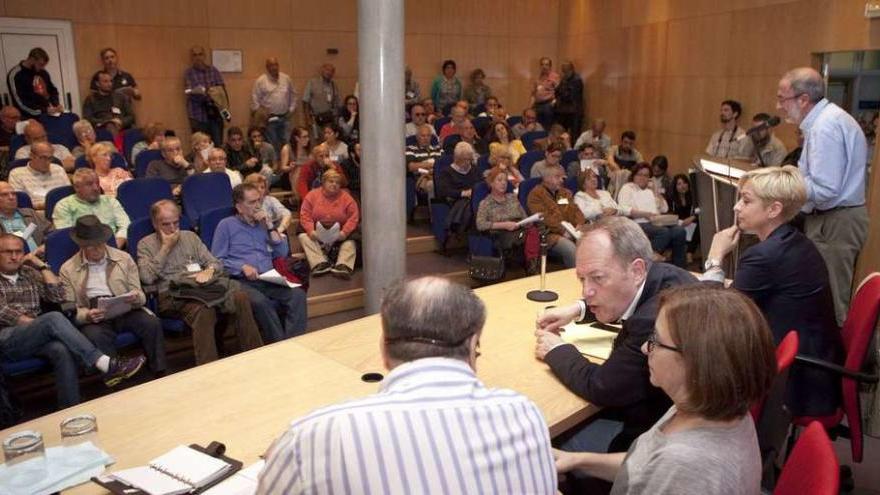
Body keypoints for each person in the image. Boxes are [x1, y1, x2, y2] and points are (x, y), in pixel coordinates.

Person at [258, 276, 557, 495]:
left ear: (383, 350)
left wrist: (291, 453)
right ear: (473, 345)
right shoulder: (525, 412)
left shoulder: (312, 438)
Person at [554, 285, 776, 495]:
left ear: (695, 363)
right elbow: (646, 466)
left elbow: (667, 469)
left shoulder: (686, 468)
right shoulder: (702, 406)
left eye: (656, 341)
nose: (644, 348)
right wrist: (578, 460)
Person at [534, 216, 697, 454]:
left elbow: (602, 388)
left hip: (645, 442)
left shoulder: (651, 321)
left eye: (597, 278)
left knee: (549, 439)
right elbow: (626, 299)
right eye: (582, 278)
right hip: (675, 423)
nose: (586, 291)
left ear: (637, 270)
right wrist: (578, 309)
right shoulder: (665, 275)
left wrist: (555, 349)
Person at [703, 165, 843, 416]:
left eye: (745, 201)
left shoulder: (765, 255)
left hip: (796, 380)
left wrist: (715, 258)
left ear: (774, 209)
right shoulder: (796, 241)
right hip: (817, 366)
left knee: (699, 346)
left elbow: (717, 315)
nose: (736, 208)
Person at [0, 233, 145, 408]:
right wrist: (44, 326)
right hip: (8, 339)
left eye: (18, 251)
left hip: (37, 334)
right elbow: (6, 314)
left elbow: (58, 295)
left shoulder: (29, 273)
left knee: (60, 350)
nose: (14, 256)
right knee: (53, 318)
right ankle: (105, 363)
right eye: (8, 252)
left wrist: (43, 267)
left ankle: (71, 407)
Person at [777, 66, 868, 325]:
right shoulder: (825, 121)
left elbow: (826, 189)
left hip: (835, 221)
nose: (779, 106)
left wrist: (785, 187)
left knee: (830, 304)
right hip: (831, 219)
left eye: (782, 98)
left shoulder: (825, 127)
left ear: (803, 99)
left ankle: (833, 364)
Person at [138, 200, 264, 365]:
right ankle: (208, 367)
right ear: (155, 224)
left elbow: (215, 263)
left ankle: (255, 354)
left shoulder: (190, 237)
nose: (172, 229)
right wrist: (165, 248)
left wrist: (209, 270)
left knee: (240, 297)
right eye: (166, 224)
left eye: (175, 223)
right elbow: (146, 278)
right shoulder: (145, 244)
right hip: (172, 294)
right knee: (204, 310)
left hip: (202, 288)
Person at [59, 215, 165, 377]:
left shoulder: (123, 258)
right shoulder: (67, 269)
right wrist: (87, 315)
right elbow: (71, 308)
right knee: (95, 335)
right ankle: (115, 378)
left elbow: (140, 293)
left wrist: (136, 298)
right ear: (82, 246)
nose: (98, 249)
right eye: (92, 246)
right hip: (94, 312)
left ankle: (159, 371)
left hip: (124, 306)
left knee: (151, 323)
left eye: (101, 244)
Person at [212, 183, 308, 341]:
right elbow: (216, 261)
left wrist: (270, 226)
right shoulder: (226, 226)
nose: (257, 206)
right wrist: (241, 267)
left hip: (267, 276)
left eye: (259, 201)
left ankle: (294, 342)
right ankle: (278, 345)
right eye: (251, 202)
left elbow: (281, 253)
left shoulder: (264, 225)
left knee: (297, 295)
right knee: (261, 303)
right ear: (239, 207)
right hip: (241, 280)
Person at [617, 163, 687, 268]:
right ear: (634, 175)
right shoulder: (628, 187)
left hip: (657, 221)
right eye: (639, 174)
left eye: (646, 175)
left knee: (679, 231)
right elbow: (623, 209)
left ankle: (679, 268)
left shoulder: (650, 190)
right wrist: (645, 214)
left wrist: (655, 191)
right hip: (638, 222)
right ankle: (649, 258)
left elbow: (664, 208)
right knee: (663, 232)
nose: (642, 178)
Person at [297, 169, 359, 279]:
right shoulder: (312, 195)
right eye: (331, 181)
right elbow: (305, 215)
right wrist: (311, 231)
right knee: (302, 233)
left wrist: (344, 233)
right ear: (323, 182)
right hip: (317, 232)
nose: (334, 184)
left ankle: (343, 265)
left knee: (354, 237)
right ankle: (319, 263)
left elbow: (354, 217)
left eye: (337, 182)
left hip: (340, 233)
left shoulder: (346, 198)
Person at [54, 168, 131, 248]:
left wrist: (116, 245)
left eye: (97, 183)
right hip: (82, 250)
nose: (96, 188)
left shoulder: (110, 201)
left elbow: (125, 225)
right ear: (77, 187)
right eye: (89, 184)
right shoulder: (64, 206)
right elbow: (66, 236)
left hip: (114, 245)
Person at [527, 164, 584, 268]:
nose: (562, 180)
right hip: (549, 234)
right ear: (546, 178)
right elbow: (545, 218)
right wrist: (563, 231)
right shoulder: (535, 195)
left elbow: (577, 211)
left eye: (562, 177)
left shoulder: (565, 192)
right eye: (557, 177)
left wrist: (580, 223)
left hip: (572, 230)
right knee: (570, 249)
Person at [251, 57, 297, 155]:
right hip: (269, 119)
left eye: (276, 65)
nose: (274, 67)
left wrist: (291, 109)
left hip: (285, 117)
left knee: (287, 143)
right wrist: (261, 114)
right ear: (267, 67)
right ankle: (276, 167)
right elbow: (255, 98)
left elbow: (293, 95)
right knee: (273, 145)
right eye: (271, 65)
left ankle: (287, 166)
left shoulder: (286, 78)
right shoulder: (261, 81)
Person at [436, 142, 482, 237]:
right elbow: (443, 191)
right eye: (465, 160)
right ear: (456, 158)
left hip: (476, 198)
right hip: (457, 200)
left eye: (470, 159)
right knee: (474, 208)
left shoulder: (474, 169)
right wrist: (463, 193)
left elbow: (481, 184)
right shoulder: (447, 172)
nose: (468, 162)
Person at [184, 45, 227, 146]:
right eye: (194, 55)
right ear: (191, 58)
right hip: (197, 114)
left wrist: (211, 92)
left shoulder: (213, 70)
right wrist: (201, 92)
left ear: (204, 56)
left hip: (215, 113)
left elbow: (221, 88)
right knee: (200, 145)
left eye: (200, 54)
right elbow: (188, 91)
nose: (198, 57)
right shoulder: (189, 73)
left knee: (217, 144)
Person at [8, 141, 71, 208]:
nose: (47, 162)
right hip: (34, 213)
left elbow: (69, 195)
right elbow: (19, 201)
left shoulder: (58, 169)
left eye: (50, 158)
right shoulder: (16, 174)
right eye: (43, 158)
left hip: (62, 209)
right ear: (31, 156)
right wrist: (45, 205)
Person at [0, 181, 52, 255]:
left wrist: (45, 246)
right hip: (10, 263)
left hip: (40, 257)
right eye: (4, 195)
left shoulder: (30, 213)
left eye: (14, 194)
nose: (11, 197)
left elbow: (52, 232)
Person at [7, 48, 61, 118]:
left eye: (44, 65)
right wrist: (44, 111)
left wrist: (56, 104)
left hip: (48, 114)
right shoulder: (16, 74)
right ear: (32, 60)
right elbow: (20, 102)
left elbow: (53, 90)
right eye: (40, 64)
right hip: (29, 118)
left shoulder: (43, 73)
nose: (42, 68)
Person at [82, 71, 136, 136]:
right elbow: (88, 119)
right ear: (97, 83)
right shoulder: (91, 99)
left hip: (122, 128)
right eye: (105, 81)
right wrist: (107, 122)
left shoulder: (120, 97)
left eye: (111, 81)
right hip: (101, 130)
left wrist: (121, 122)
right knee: (110, 126)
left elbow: (131, 116)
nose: (109, 84)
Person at [302, 63, 340, 139]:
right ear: (322, 70)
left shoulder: (334, 85)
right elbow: (305, 101)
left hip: (329, 120)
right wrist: (308, 119)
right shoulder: (312, 83)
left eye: (331, 71)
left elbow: (337, 102)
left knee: (328, 142)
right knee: (316, 143)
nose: (329, 72)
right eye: (327, 70)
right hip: (315, 120)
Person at [406, 123, 442, 198]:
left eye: (428, 136)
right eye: (423, 136)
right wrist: (432, 165)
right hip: (421, 178)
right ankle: (434, 209)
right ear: (417, 137)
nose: (426, 138)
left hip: (438, 176)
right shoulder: (410, 149)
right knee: (432, 185)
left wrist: (423, 165)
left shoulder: (438, 148)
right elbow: (411, 167)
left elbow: (444, 165)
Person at [668, 174, 699, 256]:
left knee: (698, 224)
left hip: (691, 223)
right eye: (679, 184)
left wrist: (692, 218)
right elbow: (669, 215)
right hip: (677, 223)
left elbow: (699, 210)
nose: (683, 186)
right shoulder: (671, 199)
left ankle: (689, 252)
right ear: (675, 186)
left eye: (685, 183)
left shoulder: (694, 196)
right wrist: (680, 222)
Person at [555, 60, 585, 136]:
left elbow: (568, 96)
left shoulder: (576, 80)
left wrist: (560, 91)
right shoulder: (564, 79)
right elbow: (557, 91)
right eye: (563, 71)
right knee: (561, 132)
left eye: (565, 71)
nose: (564, 73)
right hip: (564, 110)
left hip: (574, 111)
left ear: (571, 69)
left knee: (574, 134)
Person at [278, 126, 311, 193]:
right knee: (298, 168)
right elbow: (283, 168)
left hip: (305, 176)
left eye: (308, 136)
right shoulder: (287, 148)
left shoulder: (308, 149)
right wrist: (290, 167)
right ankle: (298, 197)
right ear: (297, 138)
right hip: (289, 176)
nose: (308, 139)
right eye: (304, 137)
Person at [532, 57, 560, 129]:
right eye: (542, 64)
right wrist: (531, 106)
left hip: (548, 105)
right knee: (538, 127)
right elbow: (533, 93)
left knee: (547, 127)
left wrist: (554, 102)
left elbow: (559, 92)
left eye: (546, 65)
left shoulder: (555, 77)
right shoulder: (538, 77)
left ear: (550, 66)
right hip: (537, 106)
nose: (544, 67)